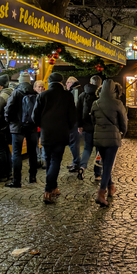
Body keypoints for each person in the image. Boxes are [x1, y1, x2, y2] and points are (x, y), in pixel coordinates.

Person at [32, 73, 76, 204]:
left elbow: (35, 116)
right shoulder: (67, 95)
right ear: (61, 82)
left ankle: (53, 187)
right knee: (56, 160)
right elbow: (73, 117)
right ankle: (49, 189)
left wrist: (43, 125)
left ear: (49, 82)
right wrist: (66, 126)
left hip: (46, 133)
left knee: (48, 160)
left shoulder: (42, 95)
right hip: (61, 133)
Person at [91, 79, 128, 207]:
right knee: (108, 165)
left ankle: (111, 186)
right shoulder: (117, 103)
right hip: (113, 138)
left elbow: (93, 121)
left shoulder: (96, 103)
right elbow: (124, 122)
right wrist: (122, 134)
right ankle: (101, 193)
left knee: (106, 162)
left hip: (99, 138)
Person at [4, 71, 38, 188]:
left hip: (17, 127)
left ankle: (16, 181)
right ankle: (32, 177)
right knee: (32, 152)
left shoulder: (16, 92)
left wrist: (9, 121)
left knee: (17, 154)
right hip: (31, 127)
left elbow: (8, 109)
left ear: (19, 81)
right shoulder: (35, 93)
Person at [77, 75, 103, 181]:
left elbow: (78, 111)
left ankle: (82, 167)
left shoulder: (83, 95)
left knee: (87, 149)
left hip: (86, 127)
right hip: (99, 127)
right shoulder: (101, 96)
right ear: (100, 84)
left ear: (90, 82)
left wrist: (79, 125)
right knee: (99, 151)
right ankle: (97, 174)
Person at [65, 76, 82, 172]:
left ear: (72, 83)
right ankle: (76, 162)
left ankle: (76, 163)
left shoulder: (75, 91)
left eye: (67, 82)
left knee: (73, 143)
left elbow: (75, 107)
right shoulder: (78, 89)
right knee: (74, 143)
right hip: (76, 121)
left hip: (74, 121)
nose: (66, 84)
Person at [33, 80, 46, 168]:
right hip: (35, 124)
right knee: (35, 143)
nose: (41, 88)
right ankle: (38, 159)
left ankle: (44, 160)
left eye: (42, 87)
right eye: (39, 87)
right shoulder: (32, 98)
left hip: (44, 124)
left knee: (44, 142)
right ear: (35, 88)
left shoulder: (46, 97)